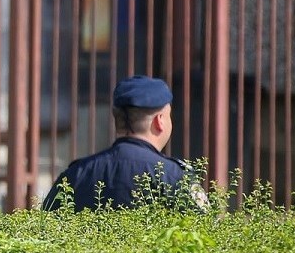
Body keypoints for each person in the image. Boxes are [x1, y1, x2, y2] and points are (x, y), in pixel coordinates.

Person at [42, 75, 187, 211]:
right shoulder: (172, 175)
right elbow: (202, 231)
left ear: (117, 119)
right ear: (159, 121)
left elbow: (45, 228)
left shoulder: (76, 175)